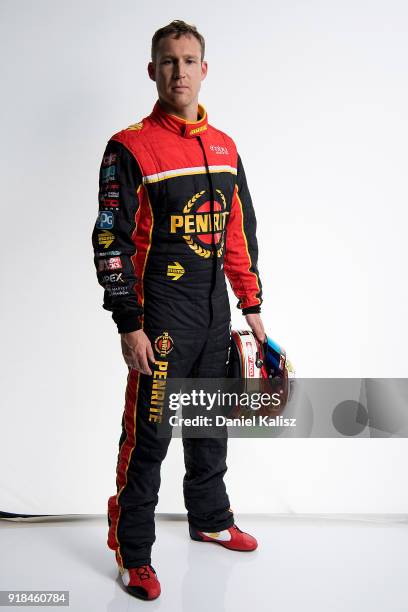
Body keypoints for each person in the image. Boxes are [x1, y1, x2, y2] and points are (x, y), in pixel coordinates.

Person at [91, 19, 266, 601]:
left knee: (210, 427)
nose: (180, 71)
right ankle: (132, 551)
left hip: (216, 315)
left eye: (190, 61)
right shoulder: (130, 147)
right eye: (169, 61)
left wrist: (253, 308)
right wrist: (129, 323)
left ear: (205, 69)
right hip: (161, 322)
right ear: (152, 71)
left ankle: (210, 518)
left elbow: (238, 233)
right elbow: (109, 241)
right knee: (149, 438)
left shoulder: (224, 147)